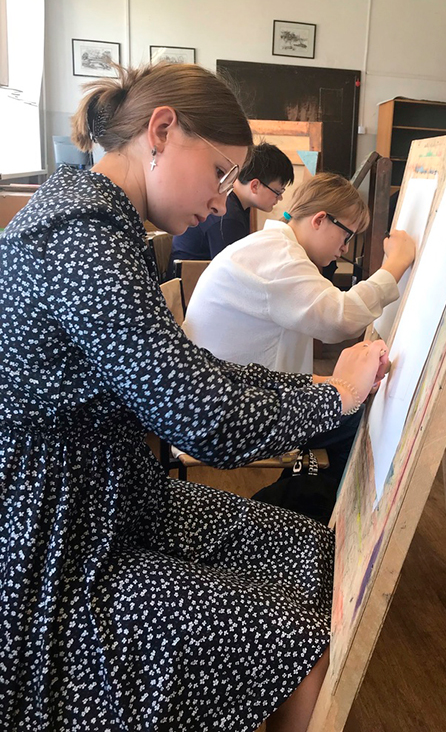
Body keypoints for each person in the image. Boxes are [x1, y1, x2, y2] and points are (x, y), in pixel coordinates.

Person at [0, 61, 388, 732]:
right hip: (57, 552)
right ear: (161, 131)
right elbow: (199, 415)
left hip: (116, 499)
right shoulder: (81, 236)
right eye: (219, 172)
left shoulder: (105, 224)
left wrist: (321, 386)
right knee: (299, 638)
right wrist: (333, 400)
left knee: (311, 550)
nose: (221, 201)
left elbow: (193, 373)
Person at [183, 171, 416, 375]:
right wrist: (396, 262)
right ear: (319, 220)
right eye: (347, 236)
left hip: (233, 388)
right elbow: (340, 318)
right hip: (225, 402)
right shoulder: (280, 256)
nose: (345, 248)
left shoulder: (276, 246)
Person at [169, 141, 294, 264]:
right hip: (191, 276)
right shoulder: (227, 216)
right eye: (278, 192)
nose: (280, 198)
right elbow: (231, 270)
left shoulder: (237, 205)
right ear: (255, 186)